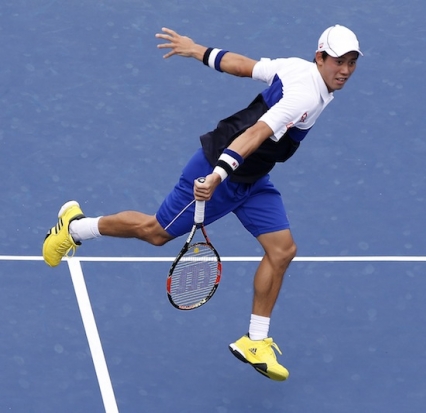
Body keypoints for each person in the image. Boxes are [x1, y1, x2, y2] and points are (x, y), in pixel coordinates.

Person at [42, 24, 362, 381]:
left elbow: (245, 65)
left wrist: (197, 50)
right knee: (156, 232)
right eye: (338, 61)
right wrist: (218, 175)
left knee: (282, 250)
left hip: (252, 178)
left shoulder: (298, 69)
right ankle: (75, 228)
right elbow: (254, 133)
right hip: (220, 168)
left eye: (351, 62)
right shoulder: (304, 94)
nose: (345, 70)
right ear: (320, 57)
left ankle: (255, 341)